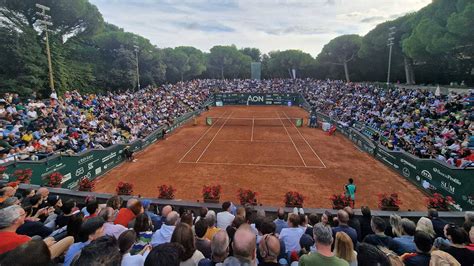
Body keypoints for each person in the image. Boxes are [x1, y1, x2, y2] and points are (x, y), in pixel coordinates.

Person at [0, 205, 73, 258]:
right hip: (27, 259)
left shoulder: (18, 237)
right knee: (69, 238)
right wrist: (45, 245)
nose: (25, 215)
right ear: (16, 221)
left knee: (49, 239)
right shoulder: (21, 239)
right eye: (23, 214)